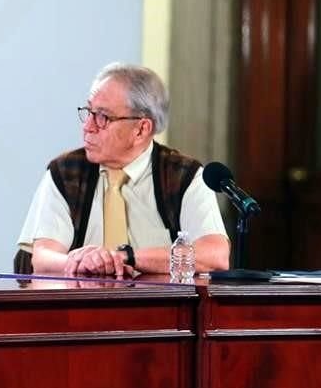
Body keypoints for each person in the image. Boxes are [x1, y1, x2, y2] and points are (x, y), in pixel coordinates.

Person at [15, 63, 230, 278]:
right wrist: (83, 261)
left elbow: (215, 256)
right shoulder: (65, 172)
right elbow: (42, 258)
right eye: (89, 111)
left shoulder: (184, 175)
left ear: (141, 129)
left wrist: (126, 257)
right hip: (79, 308)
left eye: (102, 117)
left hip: (158, 309)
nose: (88, 126)